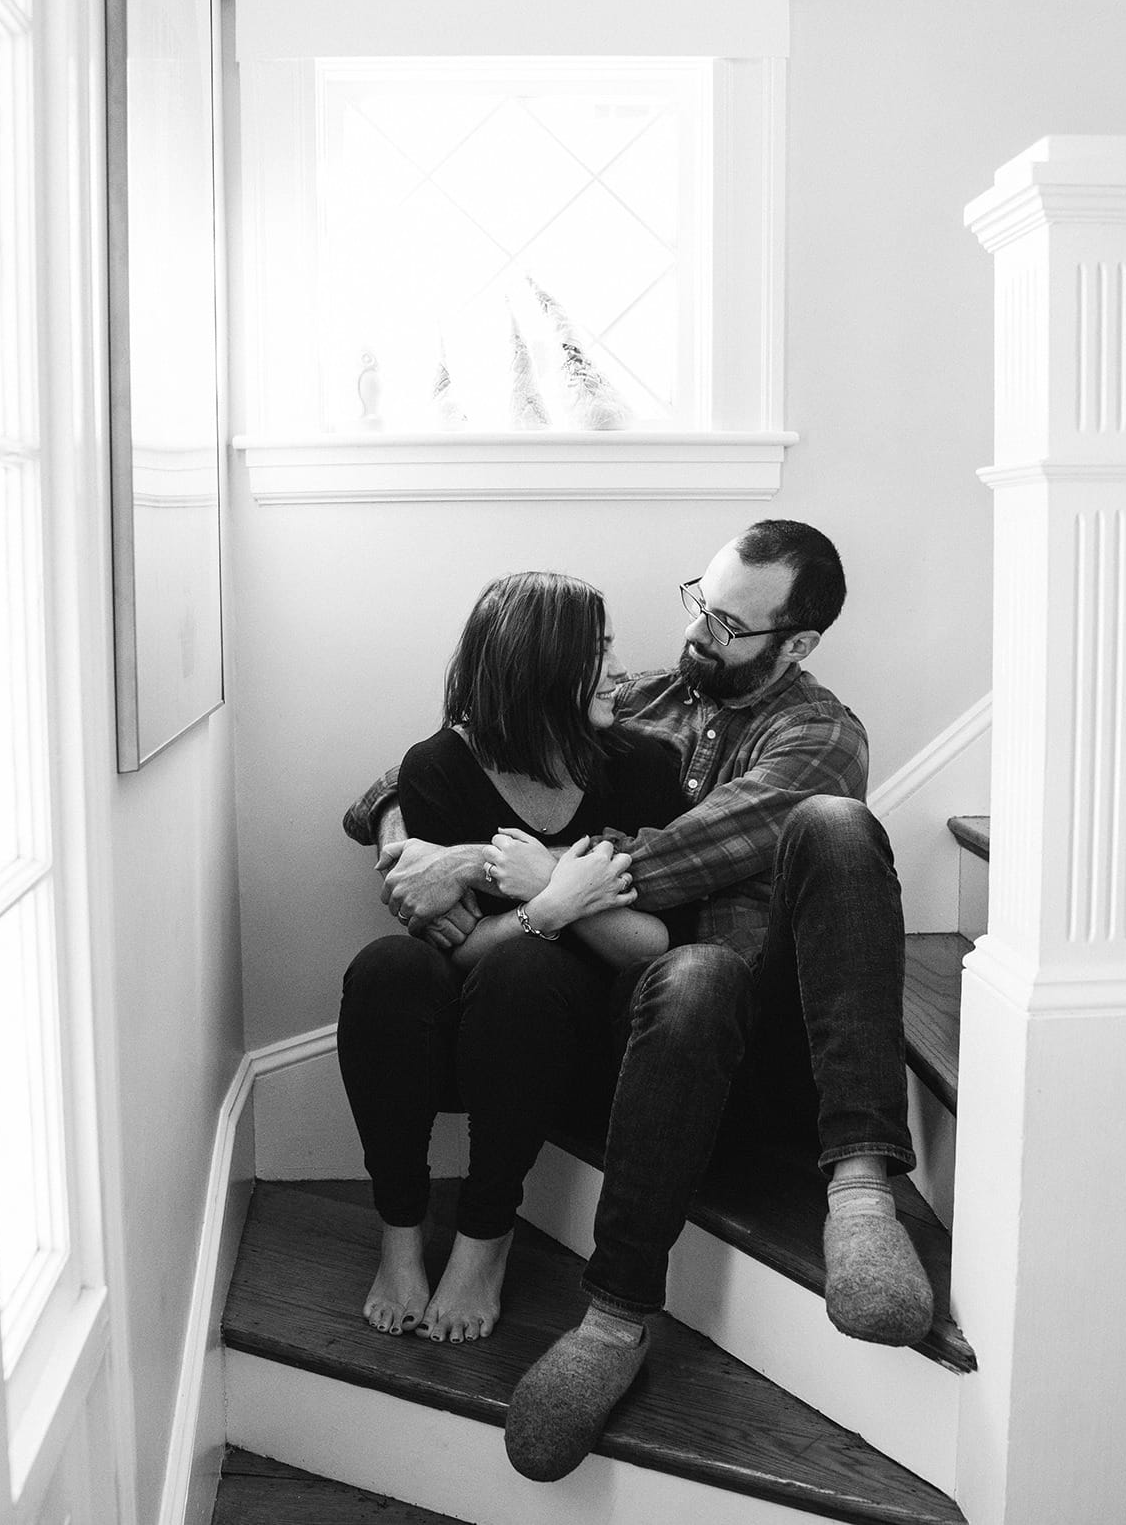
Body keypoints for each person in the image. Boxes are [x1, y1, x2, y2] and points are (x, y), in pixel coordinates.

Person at [345, 520, 927, 1482]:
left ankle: (861, 1187)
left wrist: (531, 871)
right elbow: (480, 738)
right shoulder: (647, 697)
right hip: (651, 1022)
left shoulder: (817, 732)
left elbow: (683, 857)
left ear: (798, 643)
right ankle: (614, 1318)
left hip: (765, 1034)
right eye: (700, 600)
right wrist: (409, 836)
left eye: (732, 624)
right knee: (678, 975)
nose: (701, 632)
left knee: (831, 832)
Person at [338, 572, 688, 1345]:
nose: (617, 670)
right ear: (540, 668)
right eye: (597, 653)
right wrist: (554, 904)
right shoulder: (438, 770)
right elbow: (459, 952)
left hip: (587, 1044)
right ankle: (399, 1232)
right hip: (476, 1030)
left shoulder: (644, 769)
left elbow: (655, 944)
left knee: (528, 969)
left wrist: (536, 896)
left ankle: (484, 1237)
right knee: (386, 969)